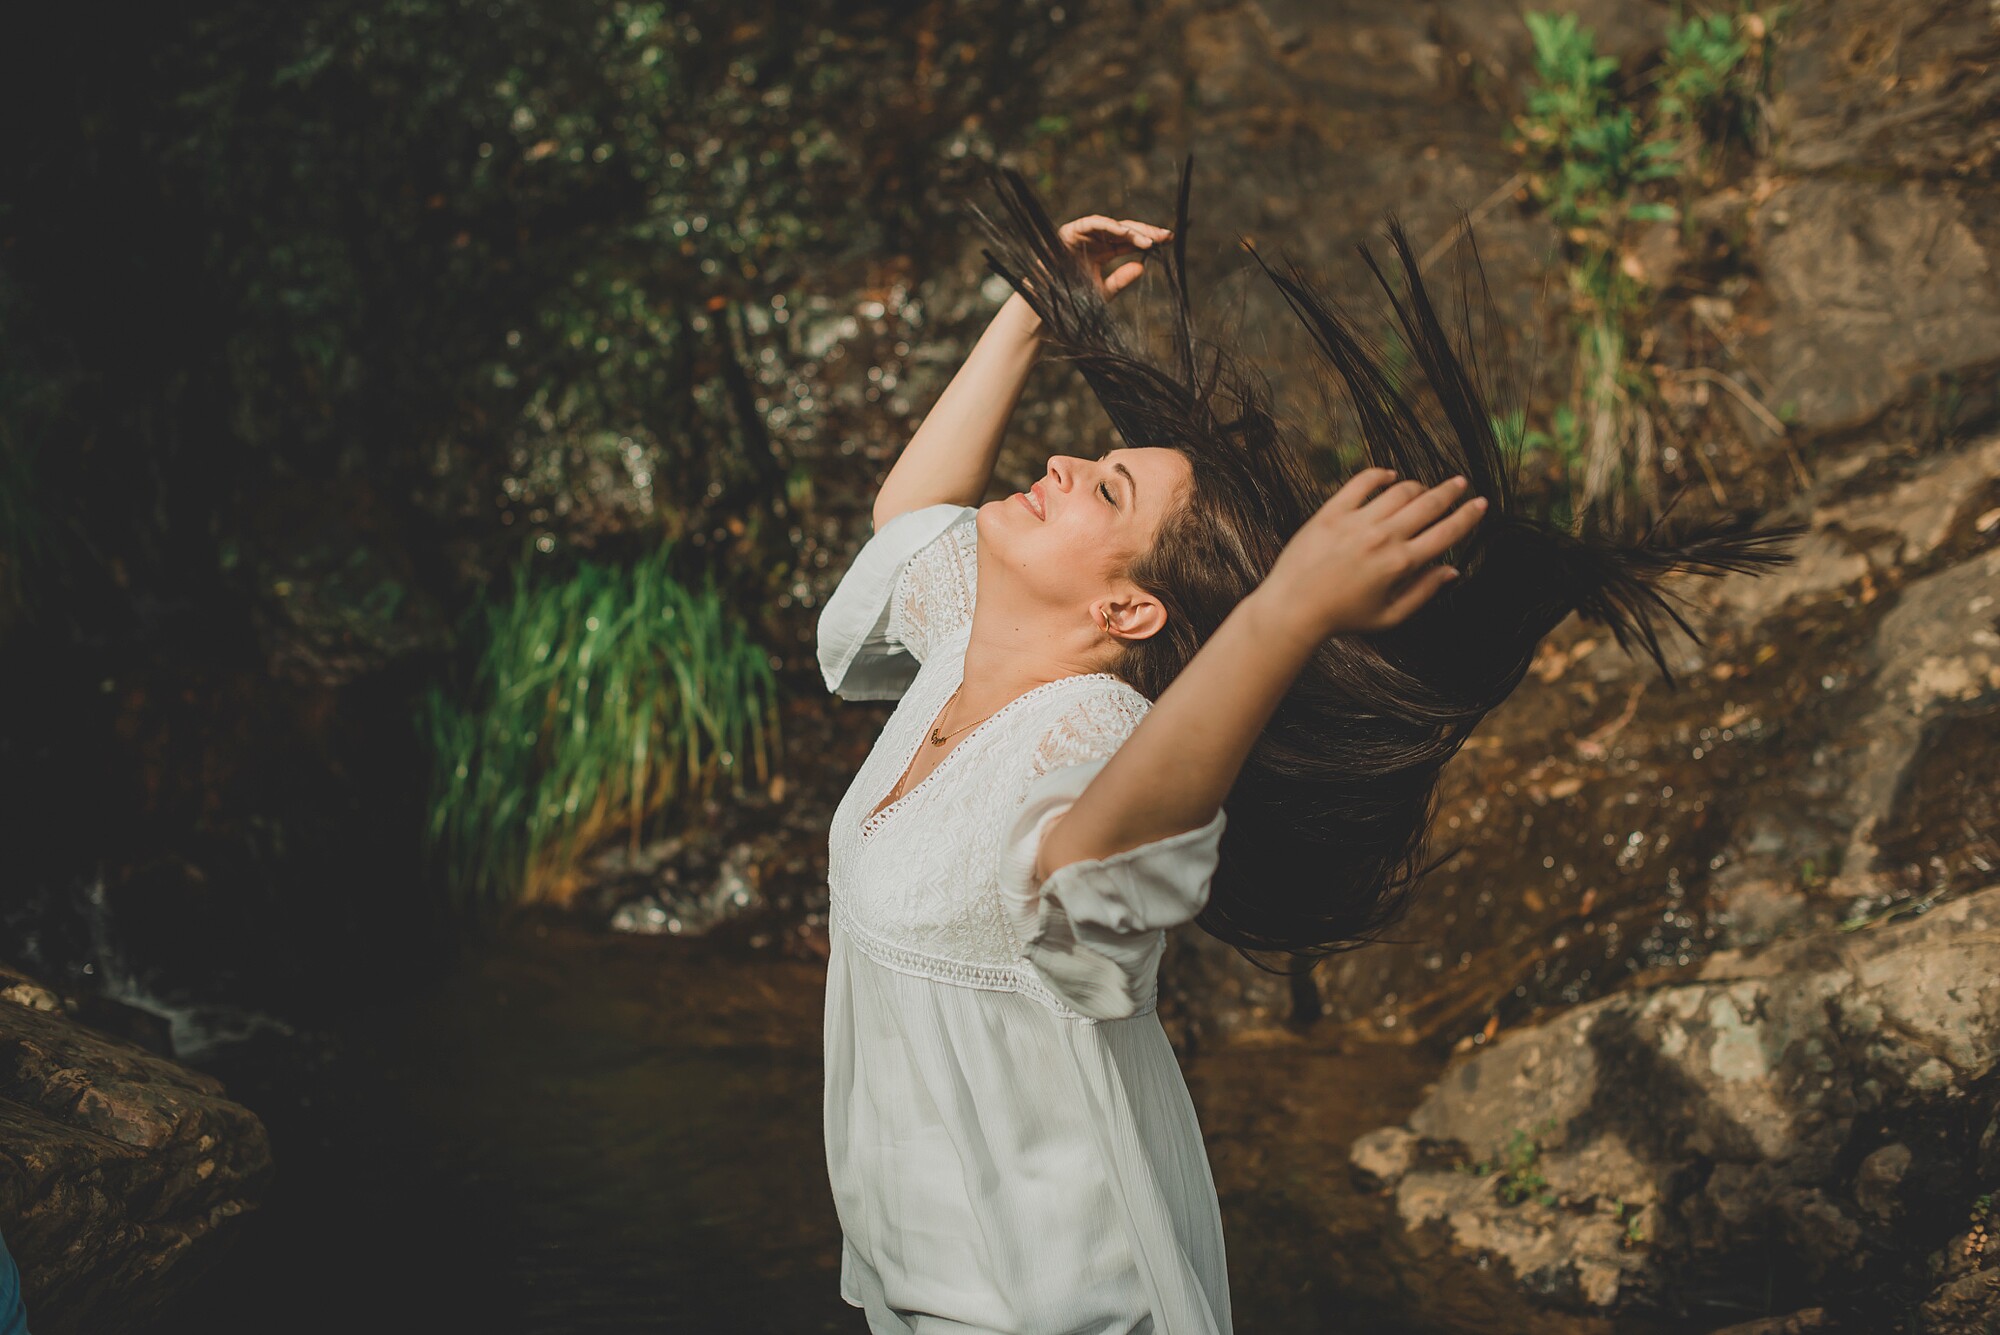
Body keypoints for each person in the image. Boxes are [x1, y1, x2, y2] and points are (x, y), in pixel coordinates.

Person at [815, 159, 1802, 1334]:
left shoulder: (1089, 730)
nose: (1060, 464)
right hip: (909, 1291)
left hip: (1056, 1309)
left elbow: (1092, 860)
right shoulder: (966, 642)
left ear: (1128, 614)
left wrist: (1287, 612)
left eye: (1106, 489)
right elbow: (905, 521)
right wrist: (1036, 307)